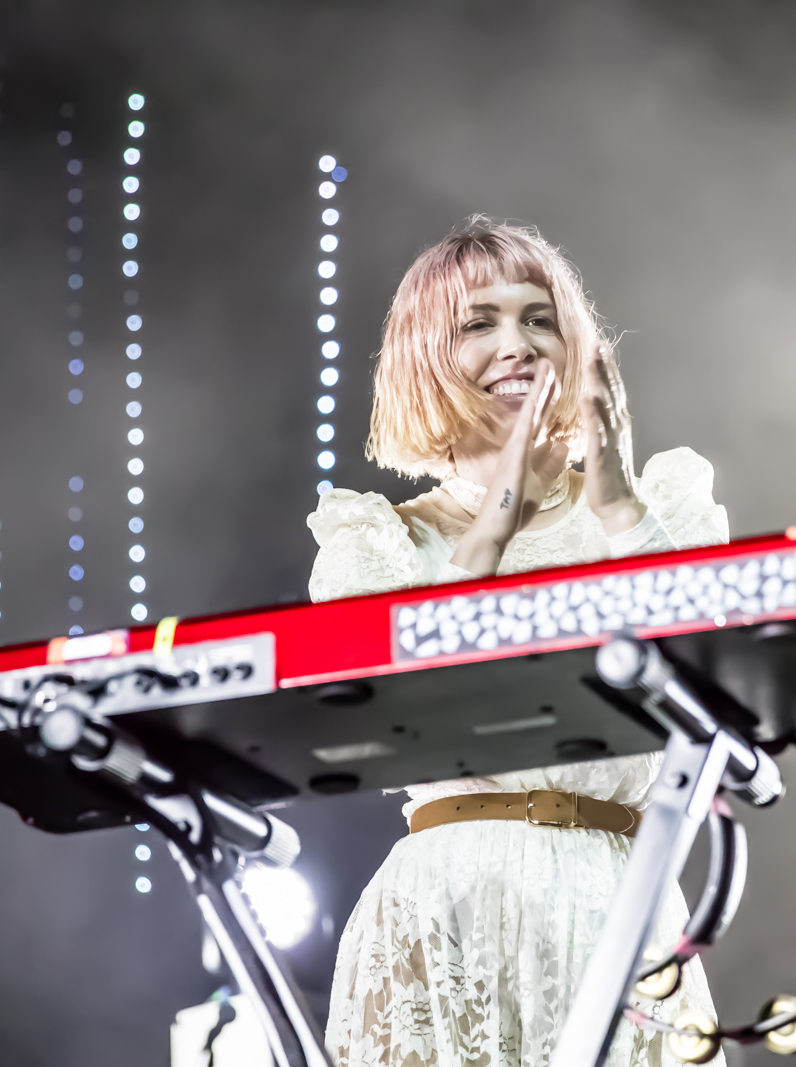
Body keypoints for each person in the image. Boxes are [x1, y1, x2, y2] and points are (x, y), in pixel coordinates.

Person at [307, 219, 729, 1065]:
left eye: (540, 319)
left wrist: (618, 508)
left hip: (620, 899)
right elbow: (393, 708)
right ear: (427, 354)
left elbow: (715, 683)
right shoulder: (379, 541)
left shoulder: (653, 513)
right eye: (480, 322)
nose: (519, 344)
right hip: (446, 906)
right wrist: (496, 517)